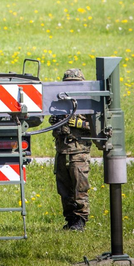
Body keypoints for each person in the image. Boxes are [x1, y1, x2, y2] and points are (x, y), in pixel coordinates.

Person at [49, 68, 91, 231]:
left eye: (76, 84)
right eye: (69, 84)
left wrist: (78, 124)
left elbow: (99, 128)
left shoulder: (88, 103)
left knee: (80, 187)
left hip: (78, 153)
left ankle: (80, 220)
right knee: (64, 189)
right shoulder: (60, 102)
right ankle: (70, 220)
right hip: (62, 151)